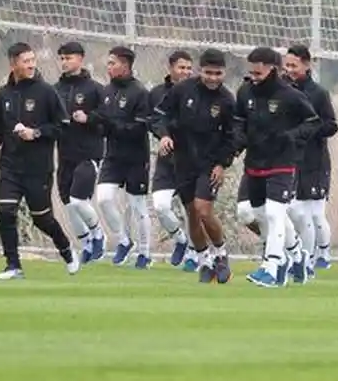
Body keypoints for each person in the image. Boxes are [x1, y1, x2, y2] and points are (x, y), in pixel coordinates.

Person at [0, 42, 79, 280]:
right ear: (13, 64)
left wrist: (35, 133)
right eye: (25, 61)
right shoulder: (2, 94)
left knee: (42, 219)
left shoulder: (46, 92)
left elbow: (62, 127)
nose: (31, 65)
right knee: (6, 211)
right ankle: (13, 266)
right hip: (10, 166)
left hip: (38, 168)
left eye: (32, 60)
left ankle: (66, 249)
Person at [233, 46, 320, 288]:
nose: (254, 78)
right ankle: (296, 252)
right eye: (251, 72)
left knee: (274, 212)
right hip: (255, 162)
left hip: (282, 162)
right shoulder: (244, 92)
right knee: (258, 213)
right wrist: (237, 143)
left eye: (259, 73)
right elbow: (238, 122)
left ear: (273, 70)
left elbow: (313, 122)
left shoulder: (290, 95)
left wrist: (292, 137)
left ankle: (271, 266)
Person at [151, 48, 237, 284]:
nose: (212, 78)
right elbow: (158, 116)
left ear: (224, 73)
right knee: (191, 213)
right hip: (183, 161)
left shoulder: (227, 100)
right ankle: (204, 261)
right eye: (208, 72)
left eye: (217, 73)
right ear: (200, 71)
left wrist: (222, 164)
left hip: (209, 164)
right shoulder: (182, 90)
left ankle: (221, 253)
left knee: (203, 209)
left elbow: (234, 136)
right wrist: (164, 135)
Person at [282, 44, 338, 278]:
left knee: (313, 214)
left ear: (307, 65)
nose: (290, 70)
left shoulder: (318, 93)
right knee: (295, 211)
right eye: (287, 65)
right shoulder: (281, 90)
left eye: (294, 65)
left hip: (313, 161)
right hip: (288, 159)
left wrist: (306, 132)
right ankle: (300, 257)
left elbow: (331, 125)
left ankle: (320, 254)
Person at [94, 46, 153, 268]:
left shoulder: (139, 93)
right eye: (108, 63)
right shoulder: (107, 91)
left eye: (112, 63)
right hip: (113, 156)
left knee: (137, 206)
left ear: (125, 66)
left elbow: (139, 129)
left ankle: (145, 253)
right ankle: (124, 240)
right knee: (104, 198)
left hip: (136, 157)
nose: (108, 67)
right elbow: (103, 121)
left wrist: (112, 126)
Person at [53, 41, 107, 265]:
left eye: (70, 58)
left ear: (81, 59)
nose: (65, 62)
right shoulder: (55, 90)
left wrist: (89, 118)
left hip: (88, 154)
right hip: (64, 153)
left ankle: (98, 235)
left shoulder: (95, 89)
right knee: (67, 202)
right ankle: (85, 242)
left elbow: (106, 120)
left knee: (78, 200)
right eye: (63, 58)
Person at [148, 51, 194, 267]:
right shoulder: (158, 93)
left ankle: (196, 254)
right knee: (160, 206)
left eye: (188, 68)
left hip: (193, 161)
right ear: (171, 68)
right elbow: (154, 119)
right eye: (181, 67)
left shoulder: (199, 93)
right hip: (167, 160)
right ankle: (180, 239)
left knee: (192, 209)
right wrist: (164, 135)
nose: (185, 72)